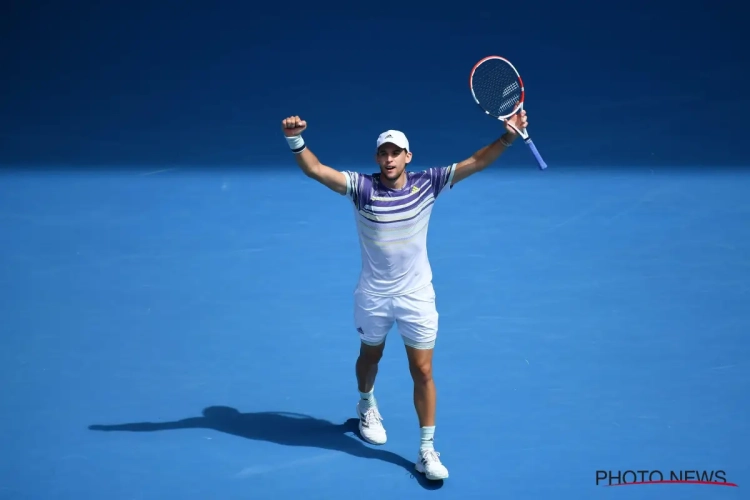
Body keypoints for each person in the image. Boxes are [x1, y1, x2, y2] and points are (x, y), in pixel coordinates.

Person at [280, 110, 528, 481]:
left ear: (408, 157)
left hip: (416, 296)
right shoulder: (361, 189)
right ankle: (366, 404)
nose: (390, 159)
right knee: (370, 356)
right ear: (377, 158)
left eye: (396, 153)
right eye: (384, 153)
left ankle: (426, 450)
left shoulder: (428, 184)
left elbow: (476, 162)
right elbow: (316, 170)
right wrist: (295, 140)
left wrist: (508, 137)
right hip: (374, 296)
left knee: (423, 370)